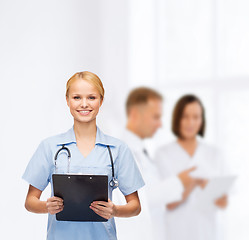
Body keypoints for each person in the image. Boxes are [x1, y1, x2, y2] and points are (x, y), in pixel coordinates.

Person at [22, 71, 145, 240]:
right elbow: (30, 202)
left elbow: (135, 206)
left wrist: (115, 210)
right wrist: (46, 206)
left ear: (101, 101)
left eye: (92, 98)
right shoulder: (49, 147)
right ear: (67, 100)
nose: (84, 104)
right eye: (77, 97)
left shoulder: (117, 149)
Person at [113, 87, 197, 240]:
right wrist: (179, 182)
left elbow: (155, 197)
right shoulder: (121, 152)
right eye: (155, 117)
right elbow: (136, 201)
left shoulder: (142, 150)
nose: (160, 124)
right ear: (135, 115)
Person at [154, 94, 229, 240]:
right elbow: (168, 203)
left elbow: (223, 202)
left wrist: (208, 188)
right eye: (185, 117)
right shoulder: (163, 154)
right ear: (177, 119)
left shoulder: (214, 153)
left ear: (202, 120)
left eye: (196, 117)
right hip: (176, 232)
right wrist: (194, 182)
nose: (191, 122)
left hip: (207, 231)